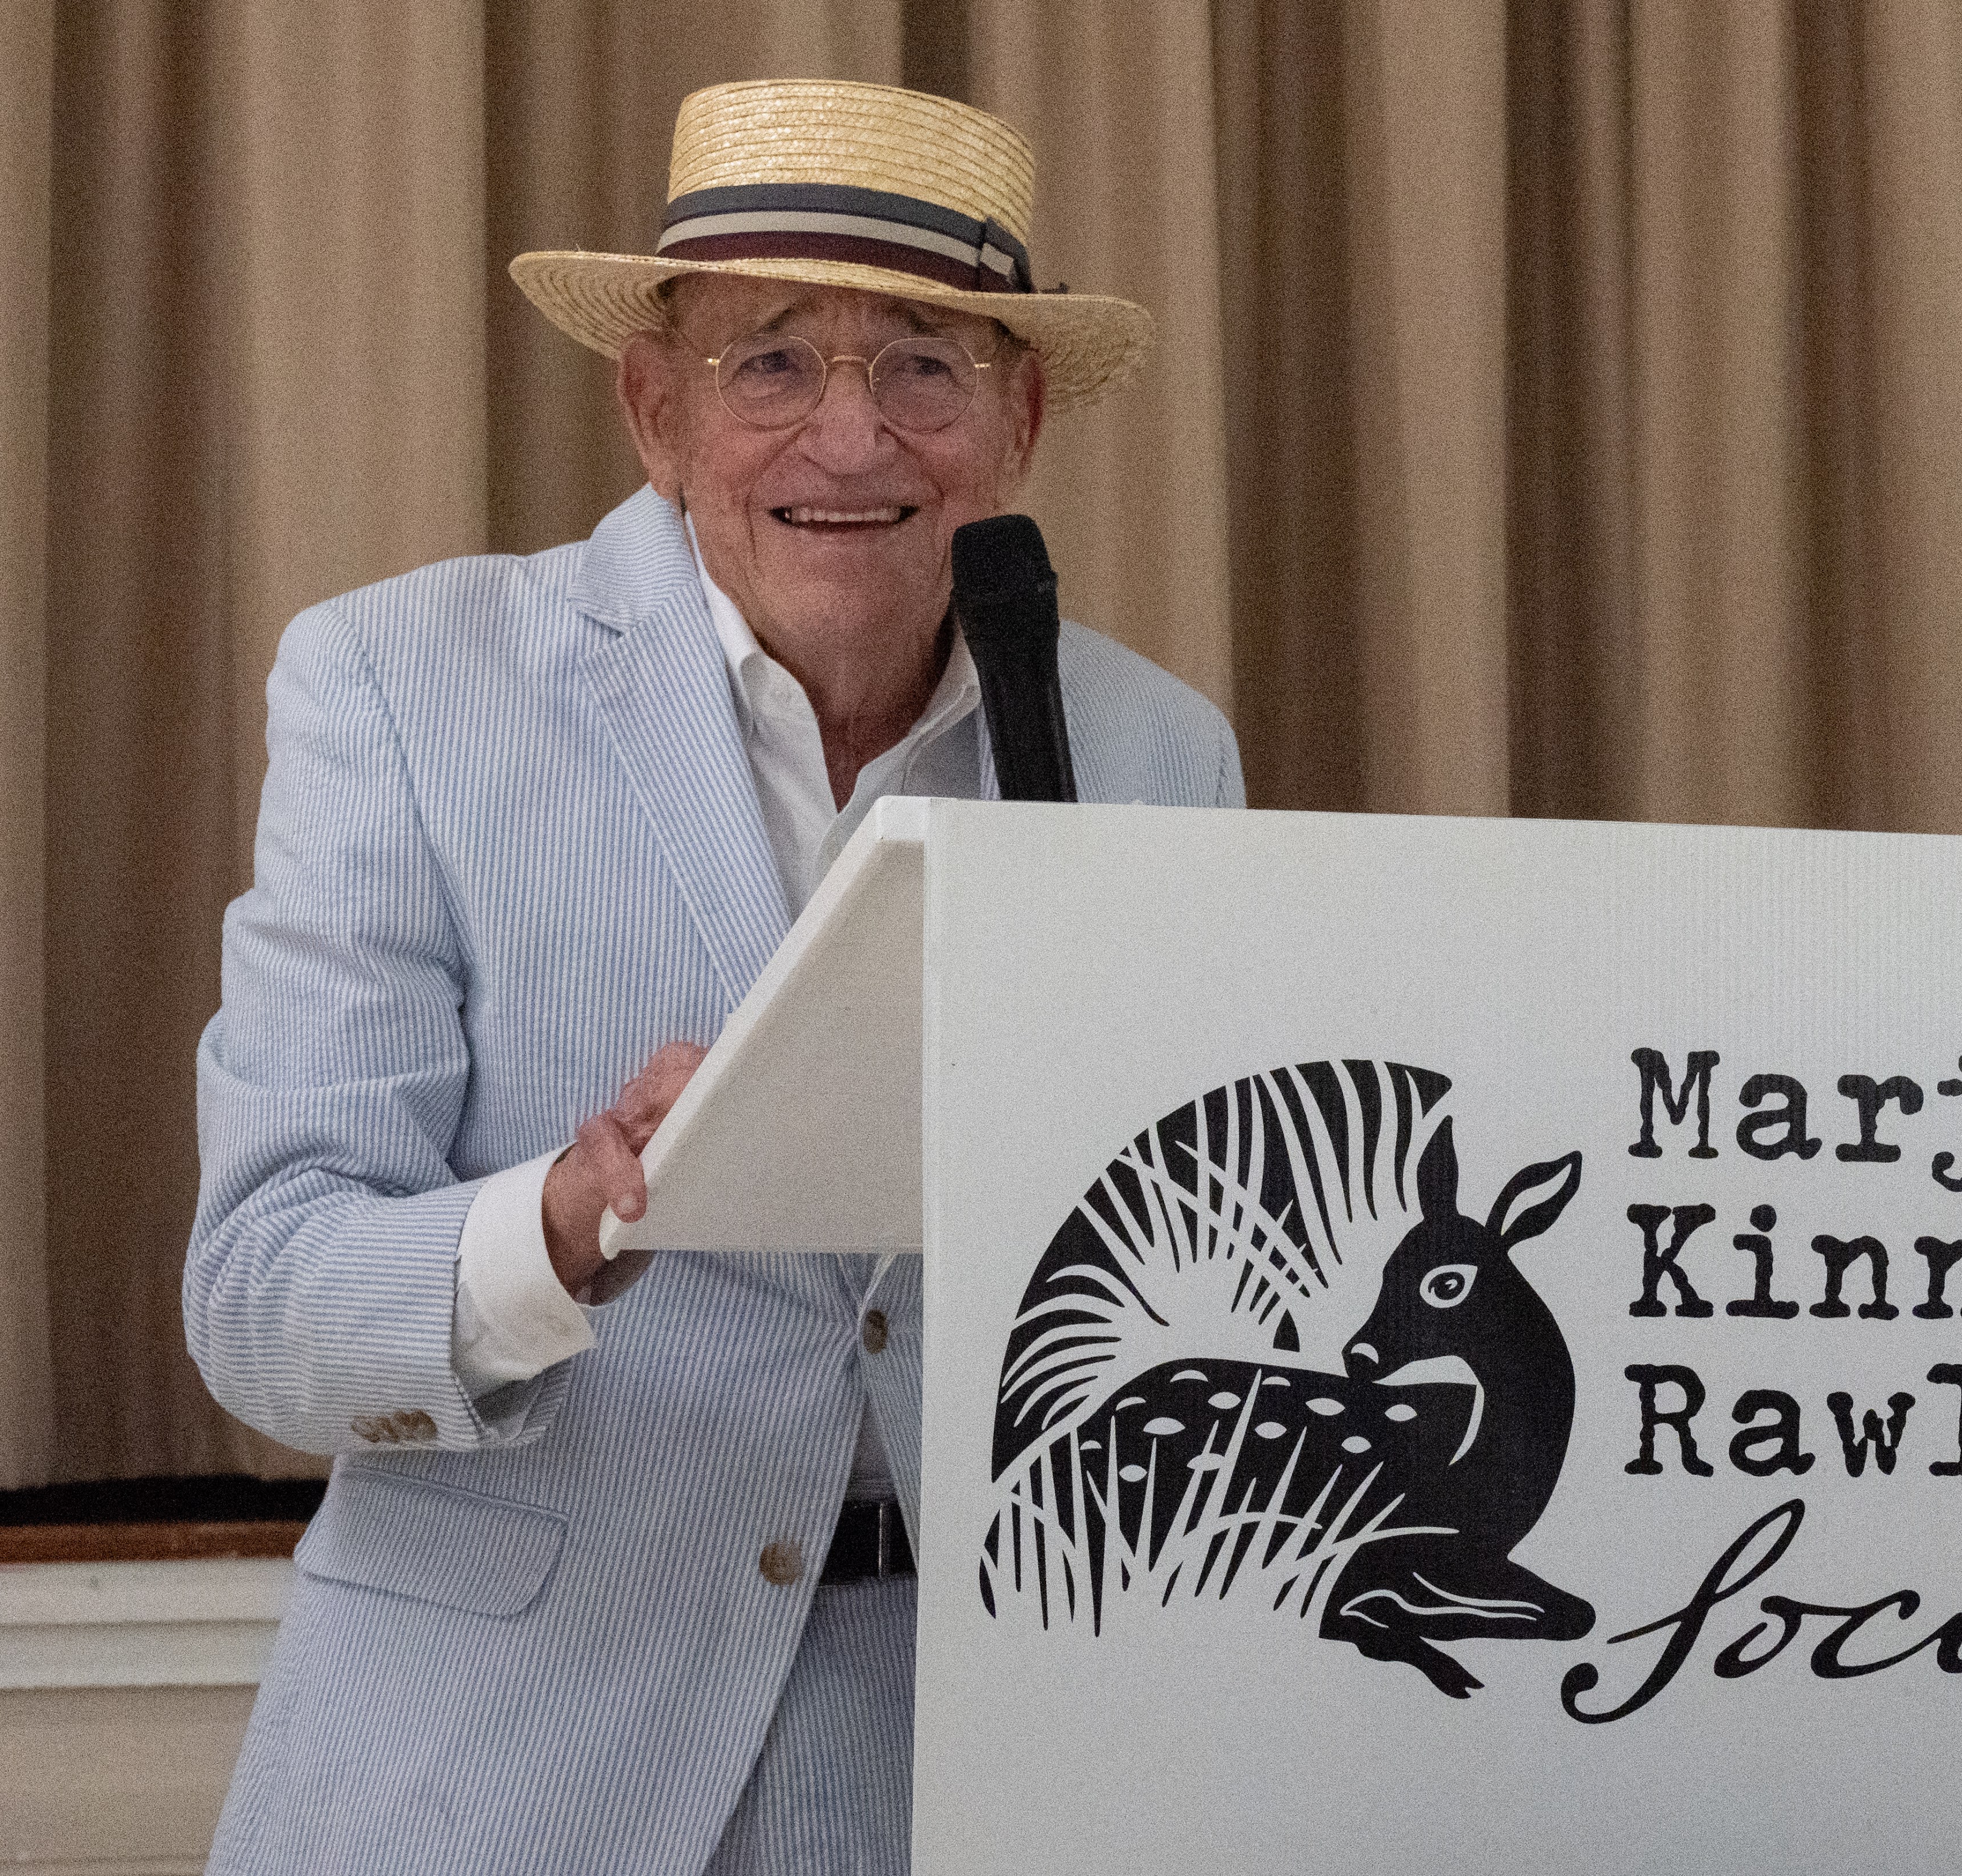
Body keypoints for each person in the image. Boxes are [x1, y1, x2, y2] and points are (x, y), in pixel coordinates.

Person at [184, 79, 1240, 1874]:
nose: (851, 436)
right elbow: (260, 1294)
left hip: (984, 1768)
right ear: (654, 411)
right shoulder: (402, 686)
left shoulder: (1153, 752)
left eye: (924, 364)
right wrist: (559, 1226)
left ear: (1020, 420)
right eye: (771, 363)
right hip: (505, 1775)